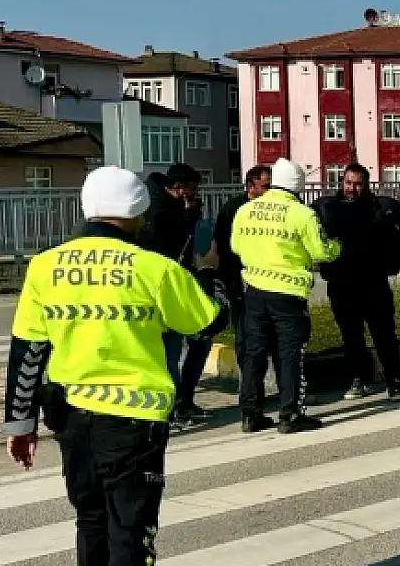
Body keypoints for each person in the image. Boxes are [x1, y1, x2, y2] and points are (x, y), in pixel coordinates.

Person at [2, 166, 227, 566]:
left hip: (71, 420)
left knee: (92, 524)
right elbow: (205, 324)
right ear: (136, 214)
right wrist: (215, 286)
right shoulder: (151, 267)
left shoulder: (45, 266)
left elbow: (28, 349)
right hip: (133, 422)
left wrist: (19, 421)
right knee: (132, 533)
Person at [230, 158, 340, 434]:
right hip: (288, 294)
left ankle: (250, 414)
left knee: (254, 353)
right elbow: (321, 251)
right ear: (298, 186)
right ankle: (290, 414)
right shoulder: (301, 214)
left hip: (254, 291)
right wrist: (338, 246)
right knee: (290, 354)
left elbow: (235, 246)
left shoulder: (246, 210)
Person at [313, 164, 400, 401]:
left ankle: (394, 382)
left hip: (374, 282)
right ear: (342, 182)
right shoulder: (328, 207)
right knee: (351, 337)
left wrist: (393, 242)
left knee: (384, 334)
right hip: (341, 284)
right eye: (348, 183)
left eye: (358, 184)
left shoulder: (380, 207)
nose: (352, 188)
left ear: (366, 184)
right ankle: (359, 379)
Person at [139, 162, 211, 425]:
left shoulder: (161, 204)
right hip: (164, 288)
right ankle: (172, 407)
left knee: (187, 346)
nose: (195, 194)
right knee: (172, 350)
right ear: (179, 187)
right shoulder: (160, 211)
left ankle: (180, 403)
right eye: (192, 188)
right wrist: (189, 216)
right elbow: (173, 246)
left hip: (170, 285)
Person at [213, 164, 273, 394]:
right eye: (265, 186)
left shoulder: (270, 208)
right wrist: (232, 281)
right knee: (245, 336)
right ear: (251, 186)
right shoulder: (233, 209)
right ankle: (248, 387)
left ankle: (260, 385)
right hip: (239, 279)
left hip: (266, 279)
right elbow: (224, 248)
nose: (270, 190)